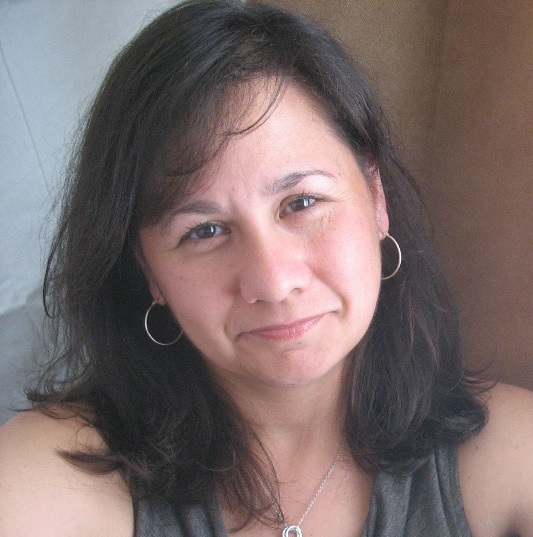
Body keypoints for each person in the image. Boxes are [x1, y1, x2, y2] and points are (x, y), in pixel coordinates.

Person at [0, 1, 531, 535]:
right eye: (204, 231)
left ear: (375, 198)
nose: (274, 282)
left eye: (301, 203)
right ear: (150, 272)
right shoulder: (54, 476)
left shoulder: (505, 458)